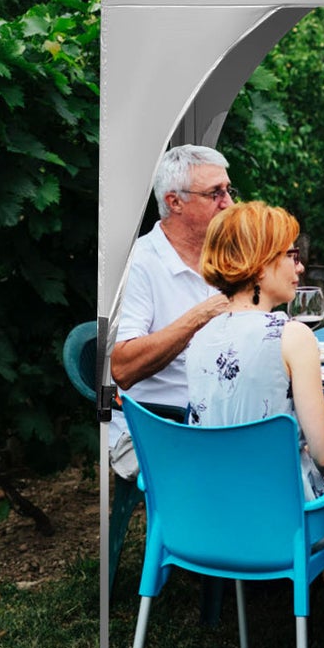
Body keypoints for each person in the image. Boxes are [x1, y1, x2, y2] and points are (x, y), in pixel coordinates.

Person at [185, 201, 324, 648]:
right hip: (282, 518)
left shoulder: (199, 336)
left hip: (212, 514)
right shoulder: (291, 335)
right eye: (288, 256)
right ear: (257, 265)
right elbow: (323, 454)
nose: (298, 266)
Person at [109, 145, 236, 481]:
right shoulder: (140, 264)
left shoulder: (227, 255)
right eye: (215, 194)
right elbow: (122, 367)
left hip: (223, 417)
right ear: (174, 202)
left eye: (228, 190)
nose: (229, 204)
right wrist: (200, 316)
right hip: (158, 429)